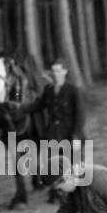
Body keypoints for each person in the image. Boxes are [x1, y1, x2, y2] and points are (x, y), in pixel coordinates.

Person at [14, 58, 86, 203]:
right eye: (53, 71)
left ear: (65, 71)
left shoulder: (73, 90)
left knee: (76, 167)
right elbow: (38, 105)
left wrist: (76, 136)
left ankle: (82, 197)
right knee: (55, 167)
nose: (55, 74)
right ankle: (58, 196)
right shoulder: (49, 90)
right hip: (53, 135)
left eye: (58, 71)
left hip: (71, 135)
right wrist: (20, 108)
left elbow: (80, 115)